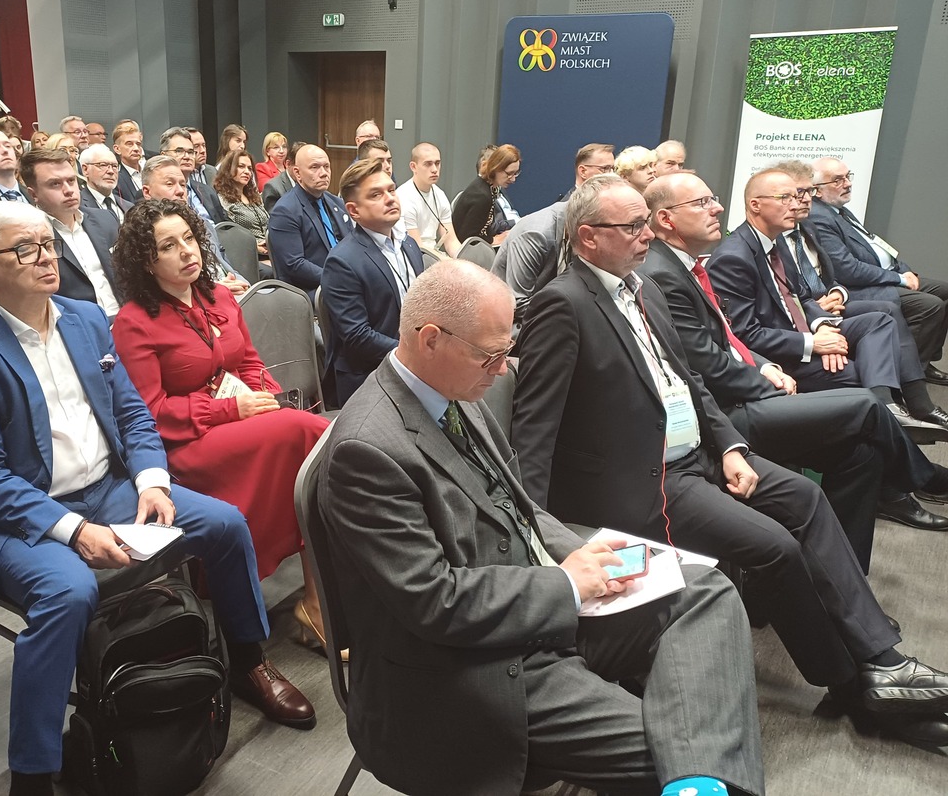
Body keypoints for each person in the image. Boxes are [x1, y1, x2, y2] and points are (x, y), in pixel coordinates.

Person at [511, 174, 948, 750]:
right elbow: (534, 429)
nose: (647, 235)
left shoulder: (642, 289)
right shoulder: (562, 303)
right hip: (648, 480)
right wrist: (541, 536)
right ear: (588, 237)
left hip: (700, 456)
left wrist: (731, 446)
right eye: (633, 226)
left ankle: (880, 660)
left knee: (806, 498)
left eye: (646, 224)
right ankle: (851, 684)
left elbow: (688, 382)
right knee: (775, 545)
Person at [321, 258, 766, 796]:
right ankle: (701, 774)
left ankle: (700, 774)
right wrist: (567, 585)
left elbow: (520, 507)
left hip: (528, 614)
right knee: (673, 749)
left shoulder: (452, 389)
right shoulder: (366, 450)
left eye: (506, 350)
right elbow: (433, 602)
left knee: (703, 592)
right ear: (431, 339)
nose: (502, 369)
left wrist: (585, 555)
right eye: (491, 355)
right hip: (471, 670)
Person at [0, 202, 315, 796]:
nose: (46, 257)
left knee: (224, 524)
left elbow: (133, 415)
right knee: (69, 592)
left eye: (48, 242)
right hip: (16, 519)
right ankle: (32, 774)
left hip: (106, 491)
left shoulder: (84, 319)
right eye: (24, 249)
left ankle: (247, 661)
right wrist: (74, 531)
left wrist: (151, 480)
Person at [638, 172, 948, 560]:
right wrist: (775, 374)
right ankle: (924, 475)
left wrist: (785, 352)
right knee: (865, 401)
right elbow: (710, 363)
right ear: (666, 219)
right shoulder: (676, 271)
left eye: (713, 198)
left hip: (760, 373)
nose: (717, 208)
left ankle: (843, 570)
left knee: (863, 452)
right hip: (730, 411)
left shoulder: (699, 262)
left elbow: (746, 327)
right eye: (702, 203)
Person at [110, 198, 334, 642]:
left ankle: (321, 595)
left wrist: (265, 399)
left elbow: (249, 362)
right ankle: (318, 603)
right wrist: (231, 409)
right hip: (185, 445)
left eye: (189, 238)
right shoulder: (133, 323)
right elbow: (150, 413)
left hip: (237, 424)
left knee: (307, 443)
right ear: (146, 262)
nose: (187, 251)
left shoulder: (219, 296)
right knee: (313, 435)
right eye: (168, 246)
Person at [706, 168, 948, 431]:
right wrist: (813, 344)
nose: (796, 204)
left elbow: (801, 296)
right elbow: (744, 335)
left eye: (797, 196)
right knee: (868, 374)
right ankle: (887, 414)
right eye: (785, 198)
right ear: (756, 205)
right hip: (778, 356)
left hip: (802, 330)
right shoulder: (734, 258)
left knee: (879, 321)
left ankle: (893, 409)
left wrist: (823, 327)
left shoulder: (775, 243)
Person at [806, 156, 948, 382]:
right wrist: (900, 279)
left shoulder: (840, 211)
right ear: (817, 190)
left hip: (885, 274)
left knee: (944, 291)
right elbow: (848, 270)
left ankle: (924, 360)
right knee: (930, 306)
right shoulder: (819, 217)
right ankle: (909, 373)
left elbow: (874, 245)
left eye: (848, 176)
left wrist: (904, 270)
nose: (848, 184)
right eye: (837, 180)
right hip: (860, 288)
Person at [322, 158, 425, 402]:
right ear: (354, 210)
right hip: (370, 378)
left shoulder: (409, 246)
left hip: (415, 365)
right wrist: (414, 354)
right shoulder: (342, 261)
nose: (390, 199)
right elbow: (358, 336)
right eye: (376, 195)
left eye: (391, 190)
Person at [492, 142, 616, 318]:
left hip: (552, 312)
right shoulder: (535, 235)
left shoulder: (578, 223)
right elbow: (517, 304)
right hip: (513, 322)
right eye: (605, 169)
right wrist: (576, 314)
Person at [22, 148, 120, 317]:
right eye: (55, 184)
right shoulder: (29, 237)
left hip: (124, 317)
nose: (68, 190)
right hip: (75, 324)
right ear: (33, 194)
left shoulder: (106, 219)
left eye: (71, 180)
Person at [142, 155, 248, 296]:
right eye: (170, 184)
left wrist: (246, 286)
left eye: (183, 184)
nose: (180, 191)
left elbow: (225, 266)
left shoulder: (203, 224)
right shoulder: (143, 233)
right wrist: (215, 289)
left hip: (233, 292)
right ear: (147, 192)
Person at [267, 144, 350, 297]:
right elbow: (294, 265)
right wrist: (337, 279)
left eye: (326, 167)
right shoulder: (285, 211)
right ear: (297, 173)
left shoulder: (337, 203)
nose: (323, 173)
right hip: (311, 290)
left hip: (344, 282)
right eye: (315, 167)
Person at [397, 141, 459, 257]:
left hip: (434, 256)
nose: (434, 169)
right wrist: (447, 262)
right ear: (413, 167)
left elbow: (451, 241)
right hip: (415, 257)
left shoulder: (439, 194)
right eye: (428, 164)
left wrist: (462, 262)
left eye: (437, 163)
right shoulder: (404, 197)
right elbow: (417, 248)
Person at [452, 143, 520, 245]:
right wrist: (493, 240)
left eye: (516, 173)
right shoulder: (481, 196)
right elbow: (469, 238)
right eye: (509, 174)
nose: (513, 179)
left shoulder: (487, 188)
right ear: (496, 168)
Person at [214, 148, 270, 259]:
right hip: (246, 255)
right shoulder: (222, 199)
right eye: (241, 166)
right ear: (229, 169)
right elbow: (229, 234)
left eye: (249, 168)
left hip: (270, 249)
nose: (247, 171)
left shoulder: (254, 196)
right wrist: (254, 246)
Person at [77, 144, 132, 221]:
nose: (111, 171)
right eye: (103, 165)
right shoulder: (78, 206)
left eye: (114, 166)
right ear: (85, 170)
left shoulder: (129, 207)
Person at [261, 140, 304, 213]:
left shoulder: (312, 185)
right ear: (288, 164)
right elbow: (276, 218)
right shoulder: (273, 188)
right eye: (302, 166)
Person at [111, 121, 145, 205]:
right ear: (117, 149)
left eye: (138, 144)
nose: (136, 148)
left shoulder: (152, 173)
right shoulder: (115, 180)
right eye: (129, 144)